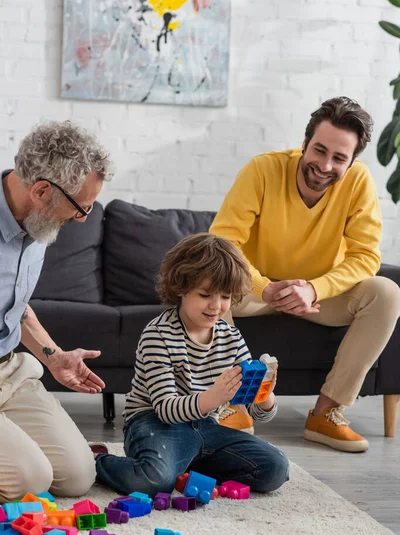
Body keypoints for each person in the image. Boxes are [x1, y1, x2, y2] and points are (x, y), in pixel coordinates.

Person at [210, 96, 400, 453]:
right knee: (208, 279)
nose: (325, 165)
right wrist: (265, 288)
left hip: (318, 298)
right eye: (319, 150)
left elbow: (365, 256)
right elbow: (224, 240)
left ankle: (326, 415)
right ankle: (232, 405)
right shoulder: (262, 169)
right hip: (254, 291)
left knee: (387, 293)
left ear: (352, 161)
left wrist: (314, 289)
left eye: (339, 158)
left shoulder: (358, 183)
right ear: (304, 143)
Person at [94, 233, 289, 497]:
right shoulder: (158, 334)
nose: (216, 306)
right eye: (205, 294)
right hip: (154, 424)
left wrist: (265, 395)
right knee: (153, 481)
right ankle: (96, 461)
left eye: (225, 296)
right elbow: (164, 409)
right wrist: (213, 398)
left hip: (205, 427)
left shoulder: (230, 336)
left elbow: (257, 412)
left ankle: (186, 465)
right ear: (180, 288)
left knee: (276, 468)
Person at [0, 120, 114, 502]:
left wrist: (54, 357)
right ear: (42, 189)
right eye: (80, 206)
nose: (84, 217)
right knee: (30, 480)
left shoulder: (38, 222)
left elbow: (15, 304)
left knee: (77, 475)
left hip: (8, 371)